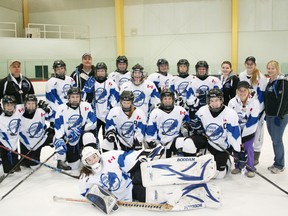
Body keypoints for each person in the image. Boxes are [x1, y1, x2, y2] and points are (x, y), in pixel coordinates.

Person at [79, 134, 164, 204]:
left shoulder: (109, 156)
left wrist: (145, 154)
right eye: (89, 160)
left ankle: (163, 176)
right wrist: (99, 199)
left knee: (142, 173)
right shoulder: (85, 177)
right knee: (149, 196)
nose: (93, 161)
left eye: (94, 157)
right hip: (127, 194)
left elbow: (127, 157)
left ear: (98, 154)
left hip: (130, 182)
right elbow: (85, 192)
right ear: (86, 163)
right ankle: (161, 197)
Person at [192, 89, 241, 179]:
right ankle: (191, 164)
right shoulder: (202, 111)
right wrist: (195, 126)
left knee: (219, 176)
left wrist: (238, 151)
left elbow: (235, 134)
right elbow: (195, 122)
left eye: (216, 100)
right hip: (208, 143)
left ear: (221, 100)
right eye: (211, 101)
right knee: (188, 142)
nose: (214, 103)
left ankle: (227, 162)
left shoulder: (230, 113)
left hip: (222, 147)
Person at [53, 87, 97, 172]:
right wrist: (60, 139)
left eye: (77, 97)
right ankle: (61, 160)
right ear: (68, 98)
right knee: (74, 166)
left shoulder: (86, 106)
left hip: (81, 136)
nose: (75, 99)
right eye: (73, 97)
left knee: (89, 136)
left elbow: (93, 122)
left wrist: (81, 129)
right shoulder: (61, 108)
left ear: (80, 97)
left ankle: (92, 160)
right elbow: (58, 126)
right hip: (69, 138)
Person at [145, 88, 198, 158]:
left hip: (176, 142)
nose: (167, 101)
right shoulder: (155, 113)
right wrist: (154, 143)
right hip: (161, 145)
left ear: (173, 100)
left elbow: (189, 125)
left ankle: (190, 163)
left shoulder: (181, 111)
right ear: (161, 100)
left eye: (169, 99)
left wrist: (186, 127)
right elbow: (150, 133)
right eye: (165, 99)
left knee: (186, 142)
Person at [239, 56, 267, 165]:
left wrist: (259, 112)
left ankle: (256, 155)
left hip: (258, 109)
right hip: (245, 109)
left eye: (252, 64)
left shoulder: (260, 76)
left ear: (255, 64)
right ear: (245, 64)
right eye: (248, 63)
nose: (249, 66)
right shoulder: (241, 75)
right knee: (247, 130)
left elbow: (262, 94)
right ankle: (246, 153)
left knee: (258, 132)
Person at [228, 81, 260, 177]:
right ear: (237, 91)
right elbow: (231, 119)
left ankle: (250, 167)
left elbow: (253, 120)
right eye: (240, 90)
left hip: (249, 130)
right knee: (236, 147)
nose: (242, 93)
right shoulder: (232, 102)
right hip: (236, 129)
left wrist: (244, 136)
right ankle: (238, 166)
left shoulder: (255, 103)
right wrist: (238, 134)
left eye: (244, 90)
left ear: (248, 91)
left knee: (248, 147)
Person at [83, 62, 120, 140]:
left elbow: (116, 97)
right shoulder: (91, 82)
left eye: (102, 71)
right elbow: (84, 96)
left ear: (105, 72)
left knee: (107, 138)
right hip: (94, 114)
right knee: (92, 137)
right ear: (96, 72)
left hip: (107, 115)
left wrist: (113, 108)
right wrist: (88, 97)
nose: (100, 73)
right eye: (99, 71)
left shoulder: (110, 83)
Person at [264, 60, 288, 174]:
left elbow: (283, 100)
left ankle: (280, 164)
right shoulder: (270, 81)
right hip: (270, 115)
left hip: (279, 116)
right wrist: (266, 114)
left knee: (277, 140)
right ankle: (276, 162)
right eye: (268, 68)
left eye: (272, 68)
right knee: (274, 140)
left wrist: (279, 115)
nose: (270, 70)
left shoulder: (282, 82)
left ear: (277, 69)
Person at [19, 94, 54, 169]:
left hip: (41, 139)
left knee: (60, 137)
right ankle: (24, 160)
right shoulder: (19, 115)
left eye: (33, 103)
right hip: (26, 142)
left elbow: (53, 116)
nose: (31, 106)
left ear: (36, 104)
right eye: (29, 103)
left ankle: (61, 160)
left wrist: (52, 125)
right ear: (25, 104)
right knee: (32, 165)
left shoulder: (41, 111)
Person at [0, 95, 24, 173]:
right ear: (3, 106)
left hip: (14, 144)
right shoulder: (0, 118)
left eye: (11, 105)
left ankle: (14, 163)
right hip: (3, 144)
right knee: (8, 169)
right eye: (7, 105)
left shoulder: (18, 115)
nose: (9, 107)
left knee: (13, 166)